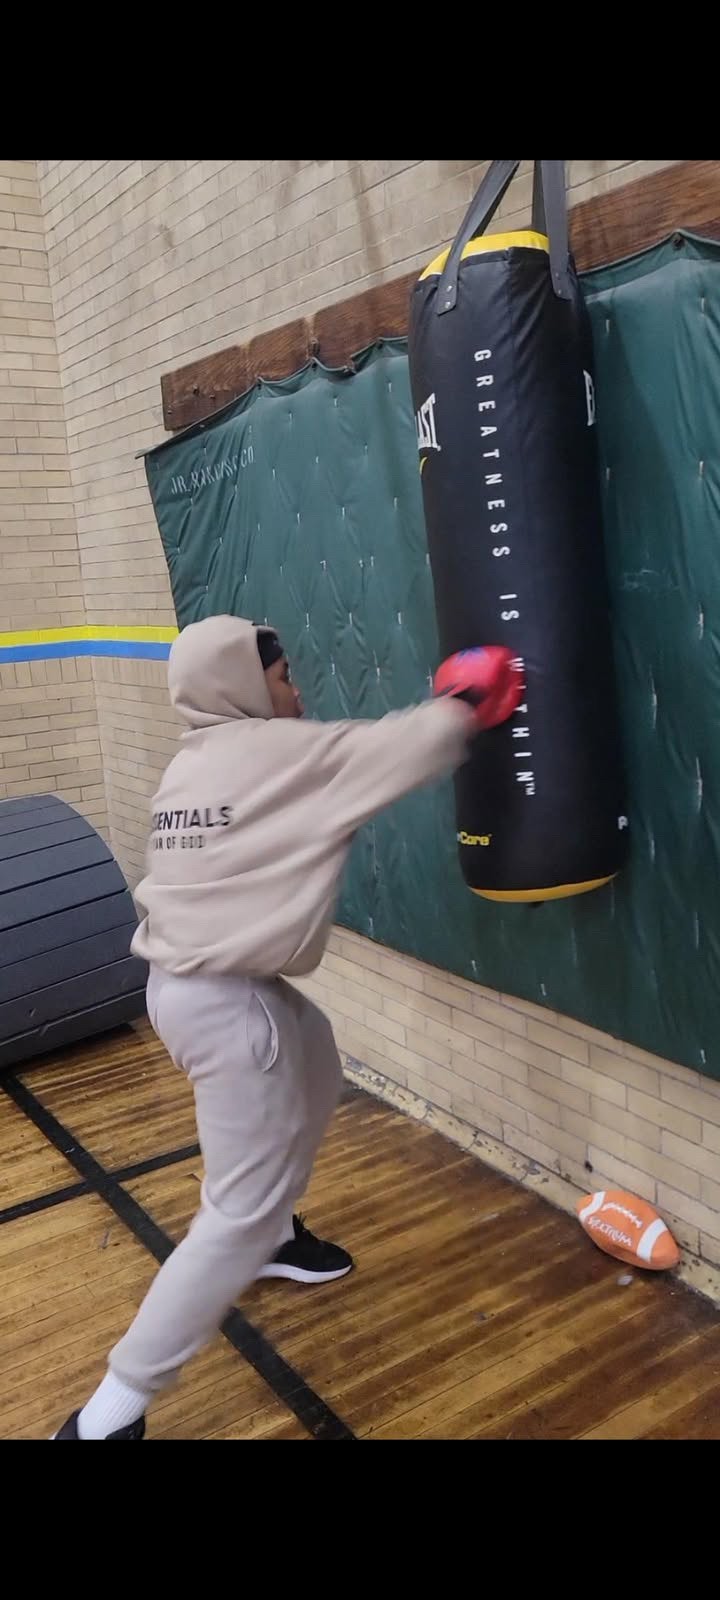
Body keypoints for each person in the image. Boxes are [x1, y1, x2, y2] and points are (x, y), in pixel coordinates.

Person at [53, 615, 521, 1439]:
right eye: (282, 677)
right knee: (231, 1217)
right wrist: (465, 703)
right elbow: (398, 748)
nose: (296, 692)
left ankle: (274, 1234)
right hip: (232, 1011)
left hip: (182, 993)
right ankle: (105, 1418)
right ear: (242, 683)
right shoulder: (283, 755)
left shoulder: (189, 766)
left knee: (318, 1055)